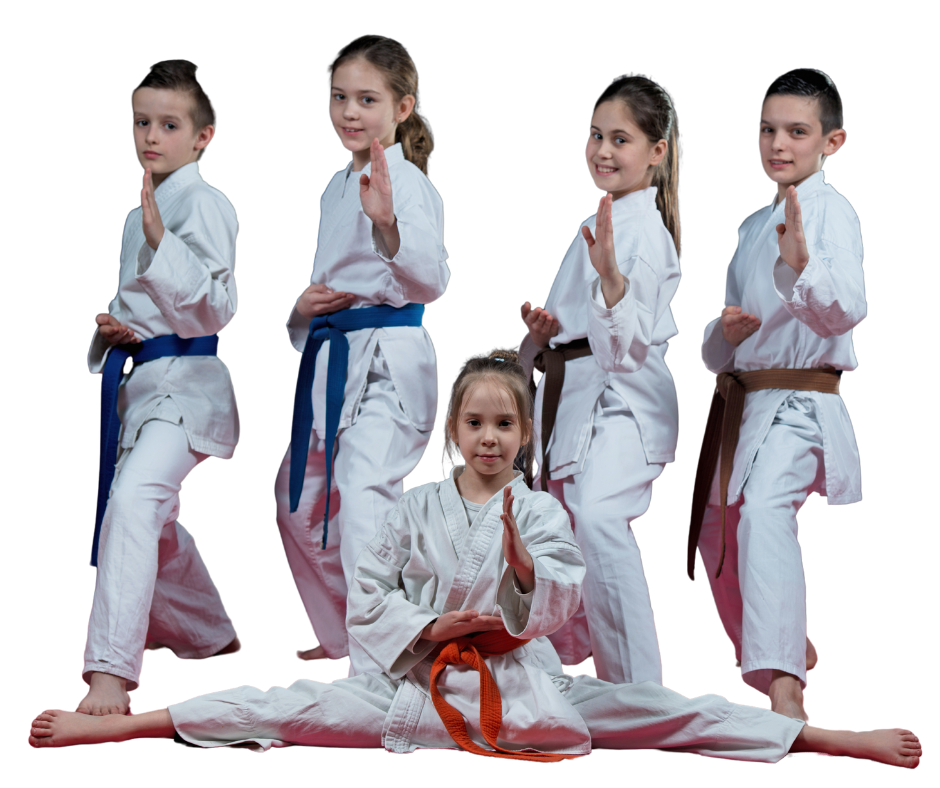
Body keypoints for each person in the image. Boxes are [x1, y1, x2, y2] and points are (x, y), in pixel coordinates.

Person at [29, 351, 921, 769]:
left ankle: (828, 739)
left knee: (666, 712)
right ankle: (117, 726)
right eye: (475, 424)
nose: (489, 438)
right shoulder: (415, 506)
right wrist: (431, 630)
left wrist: (525, 578)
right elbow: (370, 594)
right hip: (414, 683)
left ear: (523, 436)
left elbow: (562, 599)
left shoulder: (537, 510)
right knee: (278, 706)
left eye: (505, 425)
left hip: (524, 681)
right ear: (451, 431)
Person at [688, 69, 864, 722]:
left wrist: (798, 266)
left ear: (832, 141)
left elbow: (843, 309)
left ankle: (786, 683)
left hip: (800, 400)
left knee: (763, 512)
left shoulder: (830, 212)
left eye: (797, 131)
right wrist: (723, 332)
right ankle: (775, 642)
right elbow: (721, 348)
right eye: (769, 130)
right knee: (716, 532)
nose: (779, 144)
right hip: (747, 400)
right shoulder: (749, 226)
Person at [273, 35, 449, 673]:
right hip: (334, 354)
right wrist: (304, 308)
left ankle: (378, 664)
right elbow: (329, 286)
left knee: (363, 490)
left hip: (388, 361)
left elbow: (430, 282)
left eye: (367, 99)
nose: (350, 111)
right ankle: (350, 630)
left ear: (402, 108)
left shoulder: (407, 184)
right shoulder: (337, 183)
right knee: (297, 502)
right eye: (340, 97)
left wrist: (388, 223)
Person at [77, 60, 241, 717]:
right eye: (143, 121)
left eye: (169, 124)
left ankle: (111, 672)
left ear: (202, 136)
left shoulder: (205, 203)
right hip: (144, 385)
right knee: (155, 522)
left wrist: (160, 243)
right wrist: (122, 331)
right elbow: (152, 310)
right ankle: (212, 637)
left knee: (137, 499)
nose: (152, 136)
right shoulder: (139, 211)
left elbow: (213, 310)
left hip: (189, 387)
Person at [518, 76, 681, 684]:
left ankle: (639, 687)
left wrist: (611, 281)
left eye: (620, 139)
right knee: (560, 522)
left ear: (656, 151)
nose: (603, 151)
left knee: (599, 514)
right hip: (577, 396)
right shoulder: (597, 220)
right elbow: (577, 334)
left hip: (624, 398)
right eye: (595, 137)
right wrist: (543, 333)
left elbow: (624, 346)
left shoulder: (644, 231)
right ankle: (566, 659)